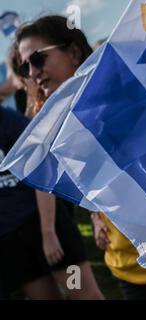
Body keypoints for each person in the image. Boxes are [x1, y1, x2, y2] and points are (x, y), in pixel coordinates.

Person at [10, 15, 104, 299]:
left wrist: (49, 231)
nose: (33, 73)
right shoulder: (51, 123)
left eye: (37, 59)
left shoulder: (115, 96)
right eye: (25, 67)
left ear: (73, 52)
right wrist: (98, 217)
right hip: (124, 258)